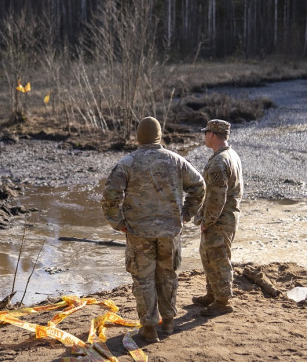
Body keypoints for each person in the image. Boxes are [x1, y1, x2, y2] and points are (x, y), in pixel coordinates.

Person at [101, 116, 205, 343]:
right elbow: (199, 186)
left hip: (139, 232)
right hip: (170, 231)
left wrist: (118, 223)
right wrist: (187, 214)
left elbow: (110, 197)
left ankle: (149, 327)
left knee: (143, 278)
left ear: (139, 137)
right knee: (168, 275)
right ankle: (168, 321)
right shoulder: (177, 160)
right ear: (159, 136)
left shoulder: (127, 163)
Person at [192, 119, 243, 316]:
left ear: (212, 135)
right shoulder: (230, 155)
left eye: (206, 132)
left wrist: (207, 221)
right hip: (226, 216)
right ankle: (212, 294)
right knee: (208, 255)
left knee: (218, 257)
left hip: (220, 219)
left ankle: (223, 301)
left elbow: (216, 198)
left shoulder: (219, 162)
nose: (204, 135)